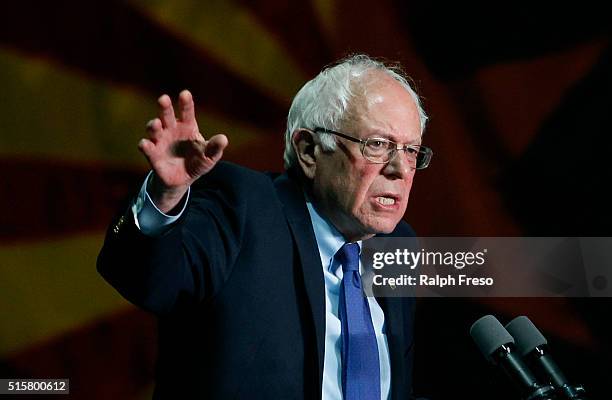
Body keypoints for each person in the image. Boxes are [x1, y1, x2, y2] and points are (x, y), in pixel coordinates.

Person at [98, 54, 432, 400]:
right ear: (309, 151)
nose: (400, 168)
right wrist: (165, 197)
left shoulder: (398, 244)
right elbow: (146, 280)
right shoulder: (244, 206)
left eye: (411, 150)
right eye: (377, 144)